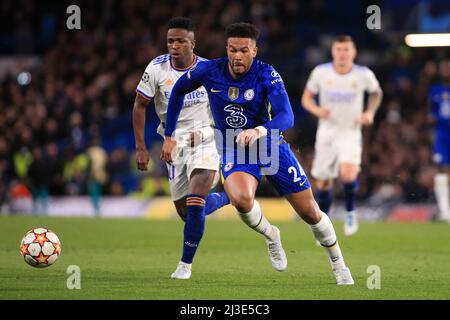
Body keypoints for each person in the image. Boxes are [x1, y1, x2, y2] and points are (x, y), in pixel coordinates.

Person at [162, 22, 354, 285]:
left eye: (243, 50)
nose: (236, 56)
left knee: (310, 212)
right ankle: (271, 235)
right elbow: (177, 92)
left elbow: (287, 116)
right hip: (233, 146)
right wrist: (170, 134)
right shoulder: (208, 71)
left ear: (255, 50)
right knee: (240, 199)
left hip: (269, 145)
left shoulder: (267, 75)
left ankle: (338, 264)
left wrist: (259, 131)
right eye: (232, 49)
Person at [132, 17, 230, 279]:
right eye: (170, 41)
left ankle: (184, 265)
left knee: (196, 198)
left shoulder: (210, 70)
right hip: (172, 142)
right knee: (187, 212)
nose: (174, 46)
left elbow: (224, 107)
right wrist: (141, 148)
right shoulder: (156, 69)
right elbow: (139, 106)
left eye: (180, 41)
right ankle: (228, 196)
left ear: (192, 44)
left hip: (204, 138)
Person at [301, 35, 383, 236]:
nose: (342, 53)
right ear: (333, 51)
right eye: (339, 49)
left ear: (353, 52)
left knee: (347, 174)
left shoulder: (363, 74)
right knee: (324, 182)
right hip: (327, 133)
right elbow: (306, 98)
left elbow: (376, 93)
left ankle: (350, 212)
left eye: (346, 49)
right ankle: (323, 225)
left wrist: (369, 112)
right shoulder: (321, 72)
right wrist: (317, 110)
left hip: (350, 131)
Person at [429, 60, 450, 222]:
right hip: (442, 135)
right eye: (444, 68)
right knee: (442, 170)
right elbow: (430, 113)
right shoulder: (435, 89)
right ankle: (444, 211)